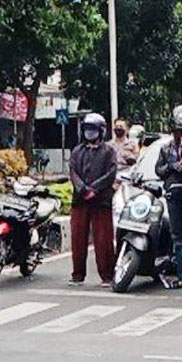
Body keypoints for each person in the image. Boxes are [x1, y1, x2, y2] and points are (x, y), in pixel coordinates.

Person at [68, 113, 117, 288]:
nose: (90, 133)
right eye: (87, 129)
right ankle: (77, 274)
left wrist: (94, 189)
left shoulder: (108, 151)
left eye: (93, 130)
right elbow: (73, 172)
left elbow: (111, 174)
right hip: (80, 200)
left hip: (101, 200)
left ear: (101, 131)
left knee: (103, 239)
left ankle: (107, 275)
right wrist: (83, 189)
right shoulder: (77, 151)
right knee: (78, 238)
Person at [155, 105, 182, 290]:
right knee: (178, 239)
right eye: (178, 130)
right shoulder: (166, 148)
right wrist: (173, 167)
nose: (181, 133)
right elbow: (159, 170)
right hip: (173, 195)